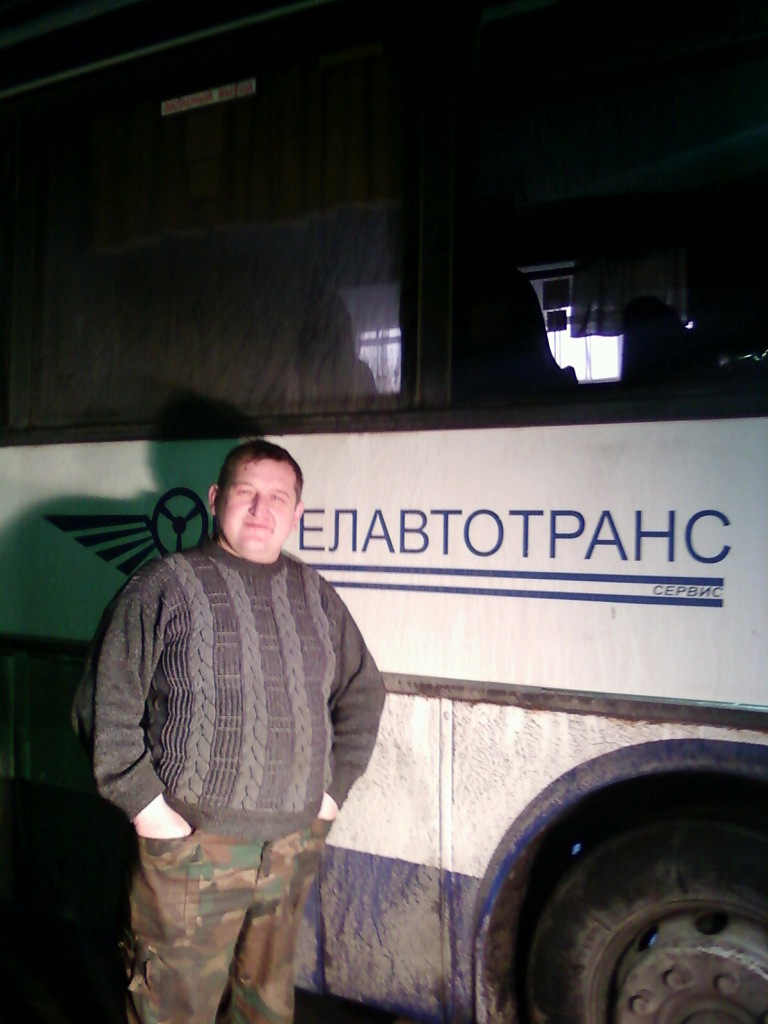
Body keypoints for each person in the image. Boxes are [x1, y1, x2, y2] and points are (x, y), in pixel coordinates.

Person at [75, 438, 385, 1024]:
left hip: (290, 848)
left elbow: (363, 693)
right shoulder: (164, 584)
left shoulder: (315, 594)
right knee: (172, 1009)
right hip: (193, 849)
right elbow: (103, 702)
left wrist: (330, 794)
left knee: (264, 1005)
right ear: (216, 498)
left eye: (278, 498)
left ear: (297, 513)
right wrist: (150, 814)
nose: (261, 510)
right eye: (246, 493)